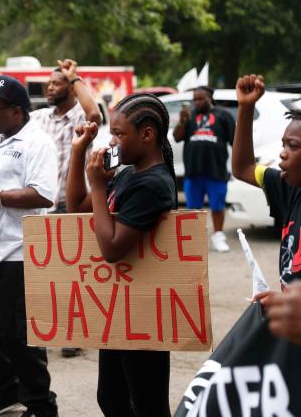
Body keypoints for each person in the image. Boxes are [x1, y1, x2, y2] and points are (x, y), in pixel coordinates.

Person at [66, 93, 178, 417]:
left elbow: (112, 249)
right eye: (111, 133)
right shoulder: (130, 172)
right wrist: (78, 153)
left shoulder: (154, 184)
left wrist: (99, 187)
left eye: (119, 134)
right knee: (111, 397)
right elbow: (76, 209)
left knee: (147, 404)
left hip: (145, 309)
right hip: (120, 306)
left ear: (147, 135)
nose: (111, 141)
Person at [0, 75, 59, 417]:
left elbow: (42, 194)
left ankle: (41, 404)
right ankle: (6, 390)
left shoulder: (37, 143)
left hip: (19, 253)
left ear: (16, 111)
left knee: (20, 336)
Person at [31, 58, 101, 358]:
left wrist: (75, 78)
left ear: (70, 89)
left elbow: (94, 112)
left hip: (69, 203)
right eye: (49, 82)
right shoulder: (39, 119)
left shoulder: (79, 118)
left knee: (74, 274)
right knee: (45, 273)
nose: (50, 86)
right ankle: (48, 327)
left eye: (56, 83)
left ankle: (74, 332)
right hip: (41, 204)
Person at [232, 74, 301, 289]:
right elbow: (243, 168)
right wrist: (246, 107)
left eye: (292, 146)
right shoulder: (290, 188)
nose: (282, 154)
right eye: (283, 145)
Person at [174, 86, 235, 253]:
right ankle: (196, 240)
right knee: (193, 209)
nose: (197, 102)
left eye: (201, 99)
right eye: (194, 99)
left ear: (210, 98)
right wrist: (181, 121)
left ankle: (218, 236)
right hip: (193, 171)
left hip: (216, 170)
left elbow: (235, 141)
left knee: (217, 206)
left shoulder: (224, 116)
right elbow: (177, 138)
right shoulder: (189, 116)